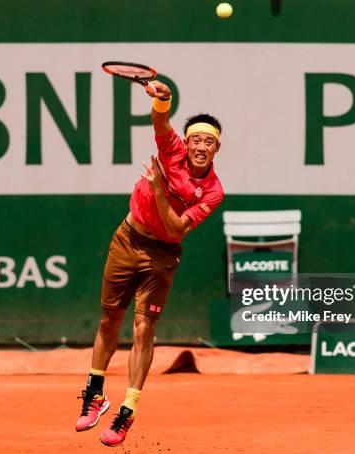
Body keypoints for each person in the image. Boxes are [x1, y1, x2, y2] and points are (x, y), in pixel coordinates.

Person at [75, 80, 224, 447]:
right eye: (196, 140)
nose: (201, 147)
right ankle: (95, 394)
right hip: (127, 239)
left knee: (143, 327)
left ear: (217, 148)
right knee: (110, 319)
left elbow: (175, 227)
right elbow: (161, 123)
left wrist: (158, 188)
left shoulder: (214, 192)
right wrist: (164, 99)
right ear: (186, 143)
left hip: (161, 255)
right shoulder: (170, 149)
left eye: (209, 142)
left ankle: (127, 410)